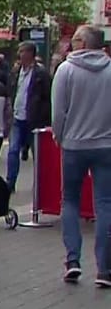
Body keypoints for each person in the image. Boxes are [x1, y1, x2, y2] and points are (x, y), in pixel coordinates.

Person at [50, 25, 111, 286]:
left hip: (74, 145)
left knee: (70, 201)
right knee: (105, 204)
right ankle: (105, 269)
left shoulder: (66, 70)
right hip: (106, 145)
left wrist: (60, 136)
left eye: (74, 39)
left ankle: (73, 260)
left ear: (84, 43)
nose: (71, 44)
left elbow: (58, 111)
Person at [6, 40, 51, 191]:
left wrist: (44, 116)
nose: (20, 54)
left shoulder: (41, 73)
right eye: (19, 51)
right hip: (17, 117)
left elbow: (47, 96)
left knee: (37, 154)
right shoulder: (16, 71)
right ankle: (10, 182)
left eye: (23, 51)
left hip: (34, 119)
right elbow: (12, 91)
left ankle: (40, 185)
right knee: (13, 151)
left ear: (31, 54)